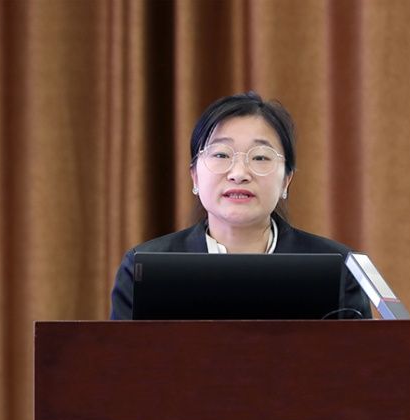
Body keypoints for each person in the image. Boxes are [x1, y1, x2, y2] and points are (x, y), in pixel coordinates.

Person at [110, 91, 372, 319]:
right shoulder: (143, 268)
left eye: (260, 157)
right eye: (221, 154)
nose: (239, 173)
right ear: (195, 176)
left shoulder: (340, 267)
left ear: (286, 180)